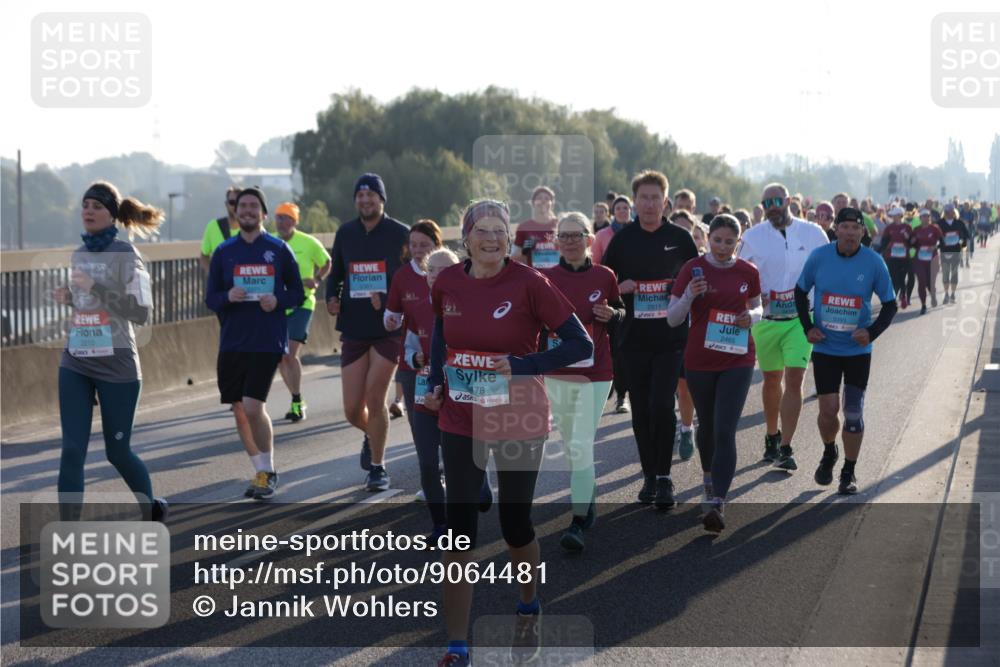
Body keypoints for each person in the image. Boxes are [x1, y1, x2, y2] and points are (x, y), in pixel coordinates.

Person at [425, 200, 592, 667]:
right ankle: (457, 644)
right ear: (467, 236)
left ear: (510, 238)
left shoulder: (530, 283)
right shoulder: (449, 282)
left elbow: (579, 343)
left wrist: (523, 366)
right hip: (459, 416)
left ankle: (528, 603)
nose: (493, 238)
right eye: (484, 230)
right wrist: (437, 381)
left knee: (514, 525)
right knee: (460, 532)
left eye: (501, 230)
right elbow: (441, 332)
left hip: (517, 415)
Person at [54, 181, 167, 521]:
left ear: (113, 214)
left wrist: (95, 287)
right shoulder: (80, 253)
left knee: (117, 452)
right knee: (72, 450)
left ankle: (150, 508)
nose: (88, 210)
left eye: (97, 206)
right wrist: (71, 298)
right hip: (76, 361)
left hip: (117, 364)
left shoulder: (127, 255)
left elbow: (140, 312)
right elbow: (90, 303)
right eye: (85, 204)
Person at [602, 170, 699, 508]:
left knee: (661, 405)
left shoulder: (681, 238)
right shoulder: (623, 240)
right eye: (643, 197)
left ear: (666, 202)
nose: (649, 203)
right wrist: (620, 288)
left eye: (655, 197)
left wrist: (683, 292)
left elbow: (698, 279)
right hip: (632, 338)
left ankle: (664, 477)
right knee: (641, 411)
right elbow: (604, 283)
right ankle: (648, 475)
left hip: (671, 337)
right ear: (634, 201)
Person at [205, 187, 304, 499]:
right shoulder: (224, 252)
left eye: (253, 206)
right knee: (239, 409)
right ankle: (260, 468)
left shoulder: (277, 249)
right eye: (242, 206)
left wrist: (278, 300)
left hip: (266, 339)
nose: (246, 210)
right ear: (237, 213)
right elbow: (210, 298)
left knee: (252, 405)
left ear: (263, 214)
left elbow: (297, 293)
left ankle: (268, 471)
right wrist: (226, 297)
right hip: (233, 341)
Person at [668, 214, 762, 532]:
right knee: (707, 425)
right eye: (717, 240)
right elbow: (672, 318)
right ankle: (708, 478)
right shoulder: (692, 270)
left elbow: (759, 306)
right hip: (700, 360)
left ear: (739, 241)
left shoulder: (748, 271)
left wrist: (753, 316)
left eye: (729, 241)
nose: (722, 247)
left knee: (725, 428)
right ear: (708, 238)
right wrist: (689, 295)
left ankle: (719, 500)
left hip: (737, 359)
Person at [795, 208, 897, 495]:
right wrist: (807, 327)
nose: (850, 232)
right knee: (828, 411)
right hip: (826, 346)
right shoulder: (819, 257)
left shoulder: (874, 262)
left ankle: (849, 472)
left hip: (857, 352)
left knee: (853, 413)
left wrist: (871, 332)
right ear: (836, 230)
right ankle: (830, 451)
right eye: (845, 227)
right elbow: (800, 292)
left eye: (856, 228)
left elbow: (890, 305)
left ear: (863, 232)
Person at [392, 244, 491, 537]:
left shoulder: (473, 302)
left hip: (462, 394)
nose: (436, 275)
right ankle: (440, 524)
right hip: (425, 393)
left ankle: (480, 482)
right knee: (427, 460)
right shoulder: (418, 306)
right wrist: (414, 358)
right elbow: (407, 346)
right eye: (430, 270)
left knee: (458, 460)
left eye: (443, 269)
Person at [540, 211, 624, 552]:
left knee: (579, 442)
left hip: (596, 371)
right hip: (559, 371)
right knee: (573, 442)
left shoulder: (605, 276)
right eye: (565, 236)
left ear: (590, 240)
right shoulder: (544, 279)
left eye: (578, 235)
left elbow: (620, 310)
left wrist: (613, 314)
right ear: (556, 242)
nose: (571, 241)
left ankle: (576, 522)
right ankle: (587, 496)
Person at [326, 173, 410, 491]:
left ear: (381, 200)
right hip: (354, 326)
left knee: (376, 400)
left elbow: (408, 278)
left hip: (388, 328)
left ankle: (378, 467)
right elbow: (336, 273)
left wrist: (387, 299)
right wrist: (331, 298)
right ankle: (371, 434)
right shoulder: (346, 232)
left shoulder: (400, 233)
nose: (365, 200)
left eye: (371, 195)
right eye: (360, 196)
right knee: (351, 409)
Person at [737, 183, 828, 470]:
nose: (772, 207)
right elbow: (738, 275)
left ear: (788, 200)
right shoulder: (752, 237)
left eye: (777, 201)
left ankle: (787, 447)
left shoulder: (814, 233)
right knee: (772, 380)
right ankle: (771, 435)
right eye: (766, 204)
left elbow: (827, 269)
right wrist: (750, 296)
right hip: (766, 321)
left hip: (801, 320)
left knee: (795, 380)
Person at [273, 202, 331, 422]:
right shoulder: (269, 241)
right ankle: (297, 398)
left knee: (289, 354)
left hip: (303, 303)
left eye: (287, 218)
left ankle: (296, 401)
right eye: (279, 218)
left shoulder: (308, 242)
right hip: (278, 305)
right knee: (280, 358)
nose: (282, 222)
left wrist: (316, 279)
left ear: (295, 221)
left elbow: (327, 262)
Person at [593, 194, 633, 414]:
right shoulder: (602, 235)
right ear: (612, 212)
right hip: (614, 298)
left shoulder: (639, 231)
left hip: (640, 299)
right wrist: (617, 286)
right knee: (618, 349)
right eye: (618, 208)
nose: (622, 211)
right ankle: (621, 397)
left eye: (626, 207)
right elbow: (597, 268)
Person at [667, 208, 702, 460]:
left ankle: (704, 425)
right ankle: (687, 427)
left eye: (690, 232)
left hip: (704, 332)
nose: (686, 236)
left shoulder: (708, 263)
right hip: (672, 329)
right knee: (683, 384)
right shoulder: (664, 259)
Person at [512, 185, 559, 268]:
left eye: (547, 199)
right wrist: (528, 246)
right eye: (539, 198)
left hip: (558, 276)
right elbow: (514, 256)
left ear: (552, 204)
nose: (543, 201)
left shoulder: (560, 225)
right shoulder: (524, 227)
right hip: (535, 277)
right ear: (533, 203)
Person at [199, 186, 242, 274]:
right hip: (222, 285)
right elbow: (204, 255)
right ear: (226, 204)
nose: (236, 206)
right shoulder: (213, 226)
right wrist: (212, 275)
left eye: (240, 203)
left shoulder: (252, 229)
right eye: (232, 202)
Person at [879, 206, 913, 308]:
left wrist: (908, 238)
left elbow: (911, 242)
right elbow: (884, 242)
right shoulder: (889, 228)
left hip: (904, 257)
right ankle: (893, 298)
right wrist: (879, 252)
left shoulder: (907, 227)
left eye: (894, 215)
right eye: (892, 215)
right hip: (891, 256)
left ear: (900, 215)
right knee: (894, 278)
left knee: (902, 277)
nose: (893, 217)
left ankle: (903, 296)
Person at [911, 208, 943, 314]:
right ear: (920, 218)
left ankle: (933, 295)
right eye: (924, 216)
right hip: (920, 259)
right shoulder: (916, 229)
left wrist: (935, 246)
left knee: (930, 283)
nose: (926, 218)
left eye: (928, 216)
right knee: (922, 282)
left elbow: (941, 241)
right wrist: (912, 241)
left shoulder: (935, 228)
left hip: (933, 258)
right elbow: (912, 244)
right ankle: (923, 305)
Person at [937, 203, 970, 304]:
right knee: (946, 275)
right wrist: (939, 244)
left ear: (954, 212)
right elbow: (936, 237)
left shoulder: (959, 223)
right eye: (947, 211)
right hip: (944, 251)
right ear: (945, 212)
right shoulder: (940, 223)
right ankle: (946, 294)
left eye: (951, 211)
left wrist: (962, 243)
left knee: (954, 274)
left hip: (956, 251)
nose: (949, 213)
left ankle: (953, 294)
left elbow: (966, 235)